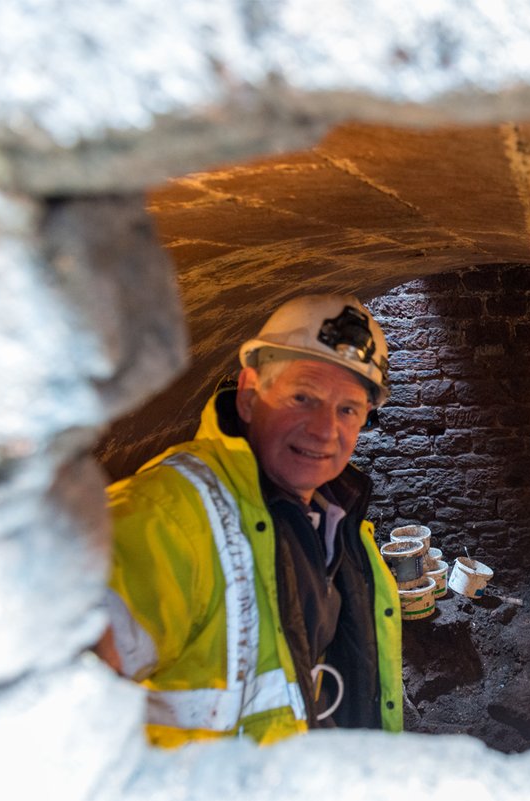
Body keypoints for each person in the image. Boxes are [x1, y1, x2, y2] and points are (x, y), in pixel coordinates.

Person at [97, 294, 403, 747]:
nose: (325, 430)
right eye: (303, 397)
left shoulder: (333, 519)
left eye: (348, 410)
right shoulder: (173, 513)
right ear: (248, 396)